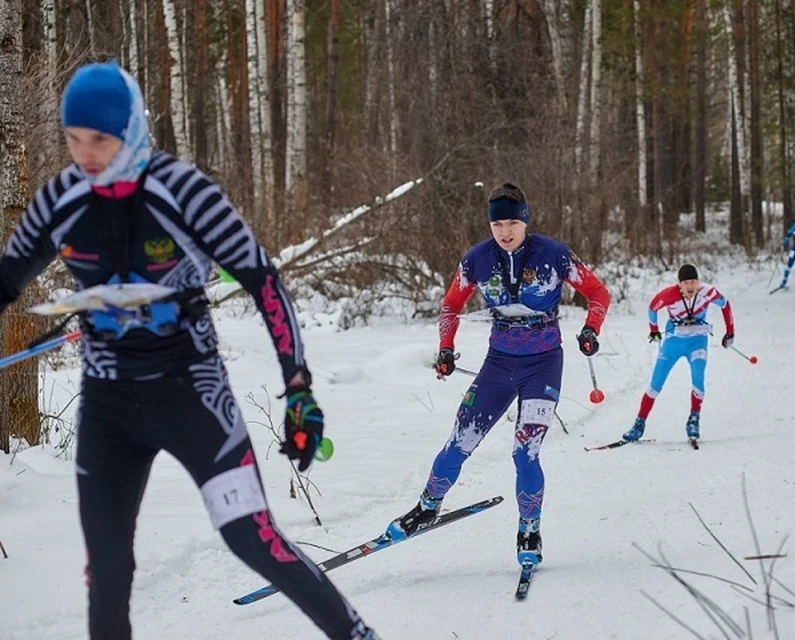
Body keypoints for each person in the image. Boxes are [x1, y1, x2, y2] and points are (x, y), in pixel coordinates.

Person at [0, 61, 376, 640]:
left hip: (192, 392)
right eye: (73, 141)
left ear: (130, 132)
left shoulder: (182, 190)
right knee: (107, 572)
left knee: (254, 539)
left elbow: (262, 279)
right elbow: (6, 280)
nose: (86, 155)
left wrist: (297, 389)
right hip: (108, 406)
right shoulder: (62, 199)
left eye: (99, 139)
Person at [384, 183, 610, 568]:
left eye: (511, 223)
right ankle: (427, 506)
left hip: (543, 364)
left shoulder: (554, 254)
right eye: (497, 224)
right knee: (459, 442)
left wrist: (591, 329)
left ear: (525, 220)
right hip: (499, 364)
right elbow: (450, 305)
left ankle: (529, 529)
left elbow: (598, 293)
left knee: (525, 453)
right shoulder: (477, 259)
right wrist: (445, 348)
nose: (504, 232)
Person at [622, 264, 734, 445]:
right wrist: (654, 330)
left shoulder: (707, 292)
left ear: (698, 282)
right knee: (655, 384)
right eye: (686, 283)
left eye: (694, 282)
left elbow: (725, 304)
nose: (691, 287)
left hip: (697, 341)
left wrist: (730, 332)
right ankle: (638, 424)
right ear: (680, 284)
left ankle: (693, 420)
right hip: (673, 343)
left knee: (698, 378)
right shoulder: (669, 295)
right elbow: (652, 308)